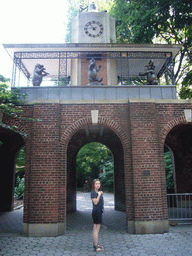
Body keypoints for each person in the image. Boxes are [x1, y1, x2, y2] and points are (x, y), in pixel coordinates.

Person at [91, 179, 104, 252]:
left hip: (99, 212)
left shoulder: (98, 192)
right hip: (96, 212)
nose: (98, 185)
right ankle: (96, 247)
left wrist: (99, 193)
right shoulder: (93, 193)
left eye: (99, 183)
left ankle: (96, 244)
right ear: (93, 185)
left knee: (96, 229)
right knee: (96, 230)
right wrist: (99, 195)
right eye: (96, 184)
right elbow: (95, 202)